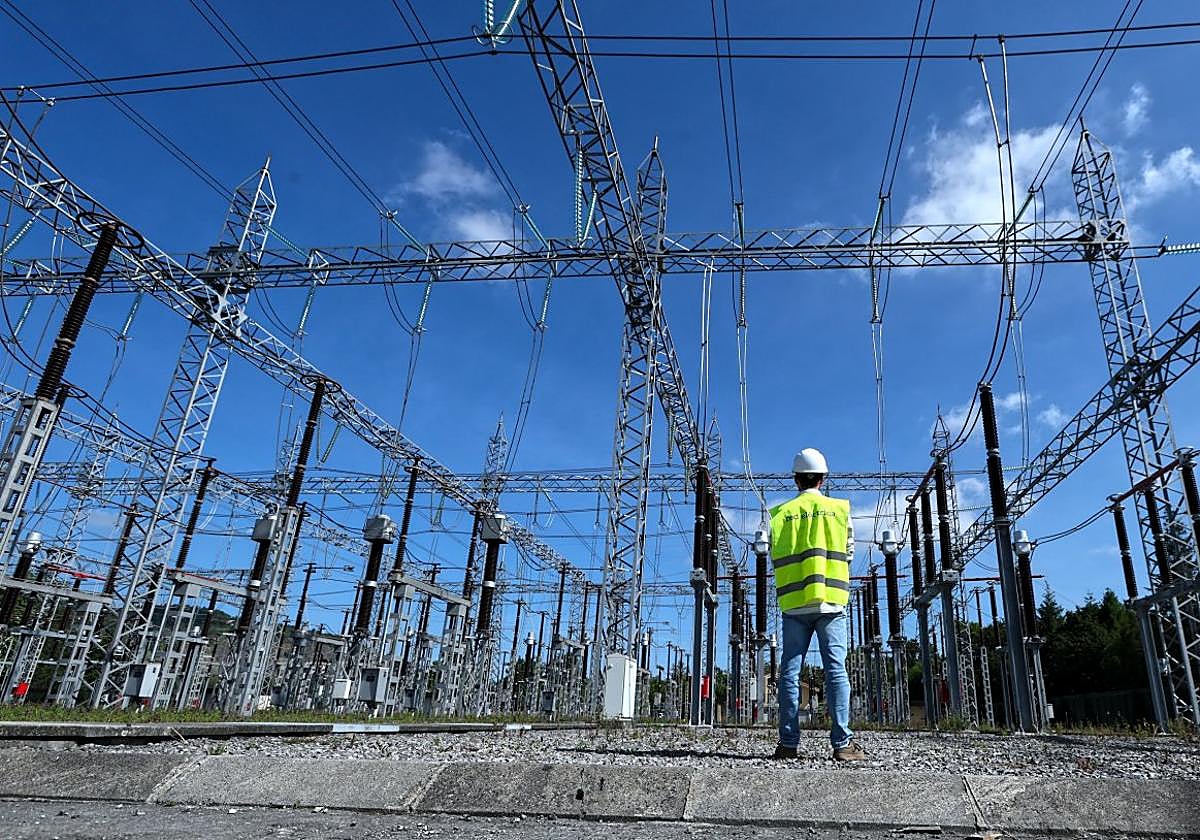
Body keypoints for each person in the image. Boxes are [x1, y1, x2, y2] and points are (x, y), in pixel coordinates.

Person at [769, 447, 865, 761]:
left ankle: (788, 743)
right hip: (830, 600)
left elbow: (773, 553)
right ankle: (842, 745)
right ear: (822, 479)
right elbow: (849, 552)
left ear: (796, 479)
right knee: (835, 670)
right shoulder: (838, 510)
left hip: (794, 602)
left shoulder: (780, 514)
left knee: (789, 672)